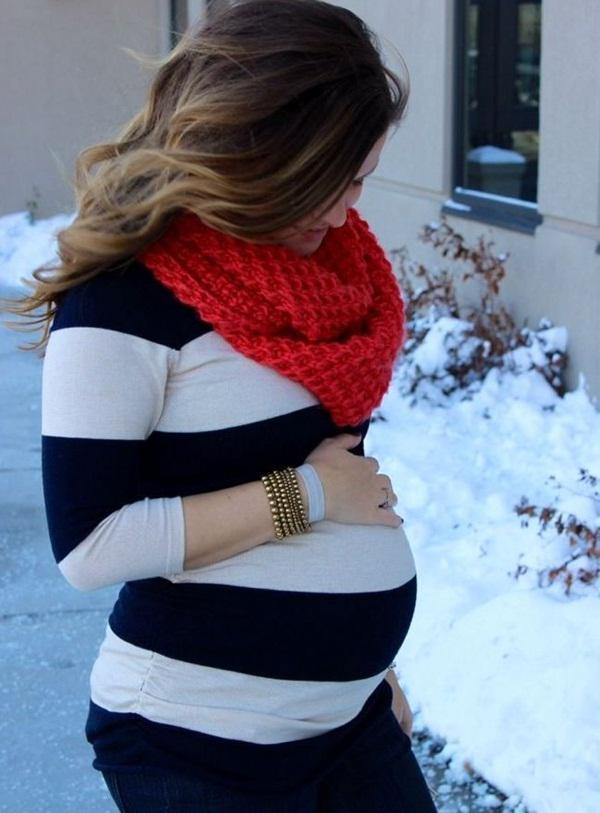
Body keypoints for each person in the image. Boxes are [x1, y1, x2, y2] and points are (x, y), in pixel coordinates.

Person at [2, 0, 439, 809]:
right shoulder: (121, 302)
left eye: (363, 179)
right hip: (194, 744)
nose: (350, 209)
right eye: (333, 180)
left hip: (350, 725)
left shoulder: (326, 285)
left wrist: (373, 674)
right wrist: (305, 495)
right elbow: (89, 546)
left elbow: (345, 504)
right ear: (267, 156)